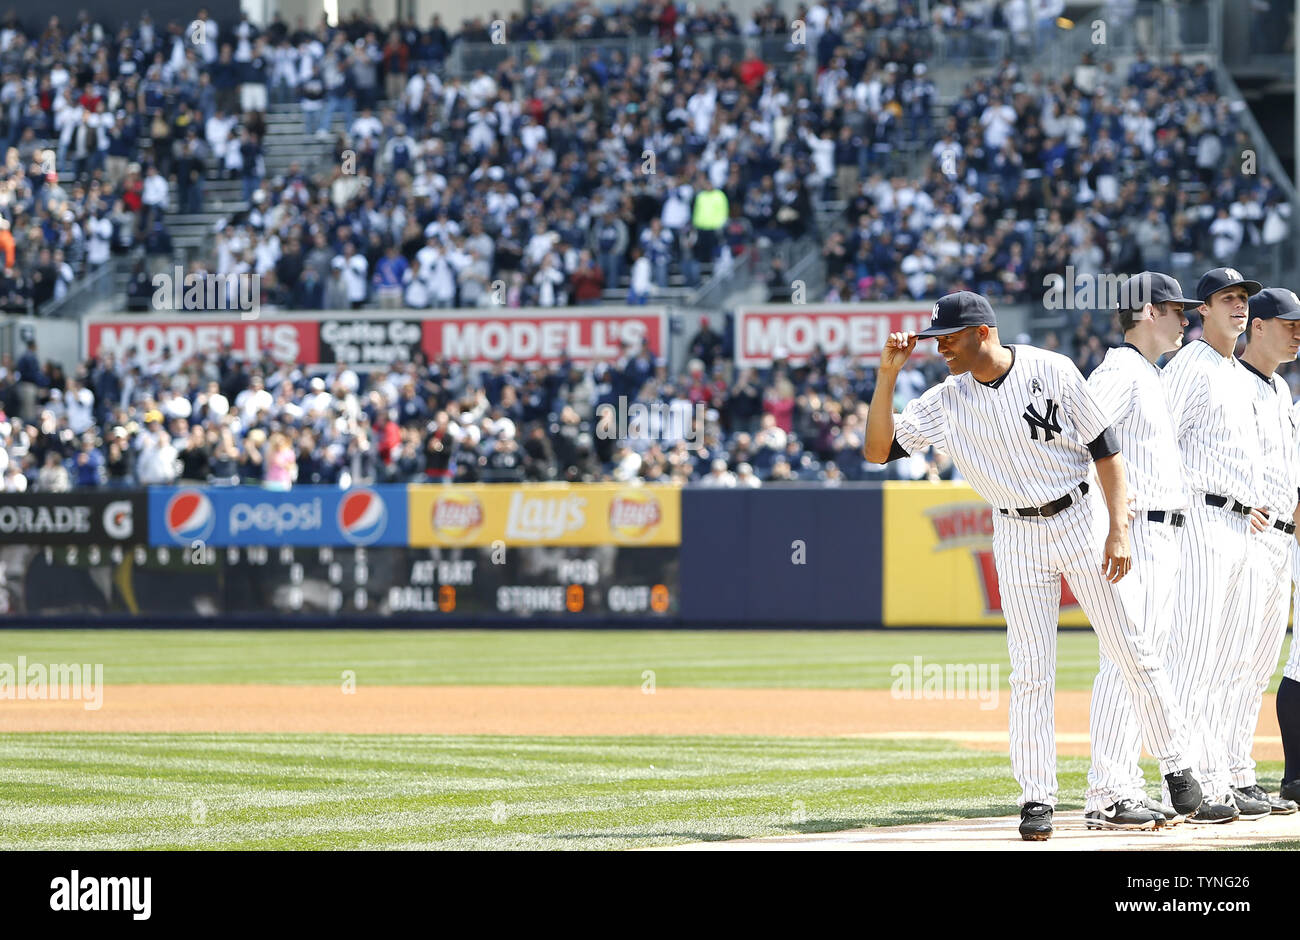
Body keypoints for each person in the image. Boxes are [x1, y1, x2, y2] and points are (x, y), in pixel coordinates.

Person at [864, 290, 1202, 841]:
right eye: (934, 340)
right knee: (1029, 673)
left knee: (1130, 645)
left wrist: (1117, 529)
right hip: (1015, 531)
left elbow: (1106, 452)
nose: (939, 349)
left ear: (982, 332)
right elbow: (878, 450)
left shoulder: (1051, 369)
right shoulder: (946, 399)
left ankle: (1176, 763)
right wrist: (886, 377)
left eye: (946, 338)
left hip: (1078, 515)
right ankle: (1036, 798)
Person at [1082, 272, 1201, 829]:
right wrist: (1113, 521)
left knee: (1141, 659)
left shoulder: (1147, 374)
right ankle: (1110, 792)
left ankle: (1122, 786)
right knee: (1127, 660)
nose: (1187, 318)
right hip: (1138, 535)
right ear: (1148, 312)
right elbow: (1080, 439)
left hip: (1164, 534)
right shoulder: (1120, 371)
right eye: (1178, 310)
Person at [1161, 267, 1270, 824]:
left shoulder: (1234, 371)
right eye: (1227, 298)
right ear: (1202, 309)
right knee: (1193, 658)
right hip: (1201, 518)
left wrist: (1244, 497)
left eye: (1243, 297)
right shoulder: (1190, 365)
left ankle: (1214, 776)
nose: (1238, 306)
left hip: (1237, 522)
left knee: (1227, 658)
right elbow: (1158, 441)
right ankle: (1181, 781)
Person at [1224, 287, 1300, 815]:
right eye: (1289, 324)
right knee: (1225, 660)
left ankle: (1239, 773)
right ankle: (1210, 773)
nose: (1298, 332)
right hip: (1238, 533)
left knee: (1257, 664)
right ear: (1259, 326)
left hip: (1281, 536)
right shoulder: (1225, 378)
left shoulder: (1279, 390)